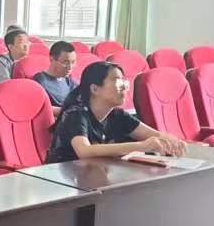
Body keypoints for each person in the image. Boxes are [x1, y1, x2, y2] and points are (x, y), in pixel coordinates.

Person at [46, 61, 186, 164]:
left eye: (124, 83)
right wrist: (141, 146)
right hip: (64, 181)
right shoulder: (76, 114)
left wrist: (172, 142)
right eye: (118, 83)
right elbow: (84, 151)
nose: (124, 88)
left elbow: (154, 135)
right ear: (94, 89)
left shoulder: (118, 115)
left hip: (94, 175)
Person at [33, 41, 78, 116]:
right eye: (65, 62)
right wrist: (68, 111)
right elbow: (37, 107)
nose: (70, 67)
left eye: (73, 62)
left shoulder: (69, 81)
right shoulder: (40, 80)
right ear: (52, 59)